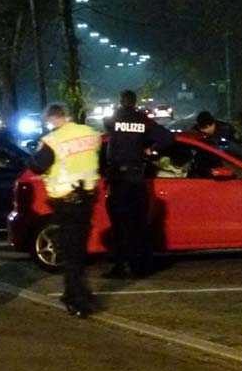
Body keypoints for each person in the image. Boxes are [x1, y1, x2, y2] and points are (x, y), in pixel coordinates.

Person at [28, 103, 100, 318]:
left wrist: (38, 151)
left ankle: (76, 300)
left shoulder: (53, 140)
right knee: (78, 250)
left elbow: (36, 165)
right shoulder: (90, 133)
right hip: (87, 200)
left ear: (51, 119)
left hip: (66, 203)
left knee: (70, 253)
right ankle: (74, 293)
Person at [103, 90, 174, 278]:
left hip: (118, 179)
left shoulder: (113, 120)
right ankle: (140, 265)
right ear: (135, 103)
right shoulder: (143, 120)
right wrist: (150, 151)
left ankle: (122, 265)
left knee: (119, 224)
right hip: (136, 178)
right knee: (138, 223)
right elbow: (167, 138)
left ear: (121, 101)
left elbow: (108, 126)